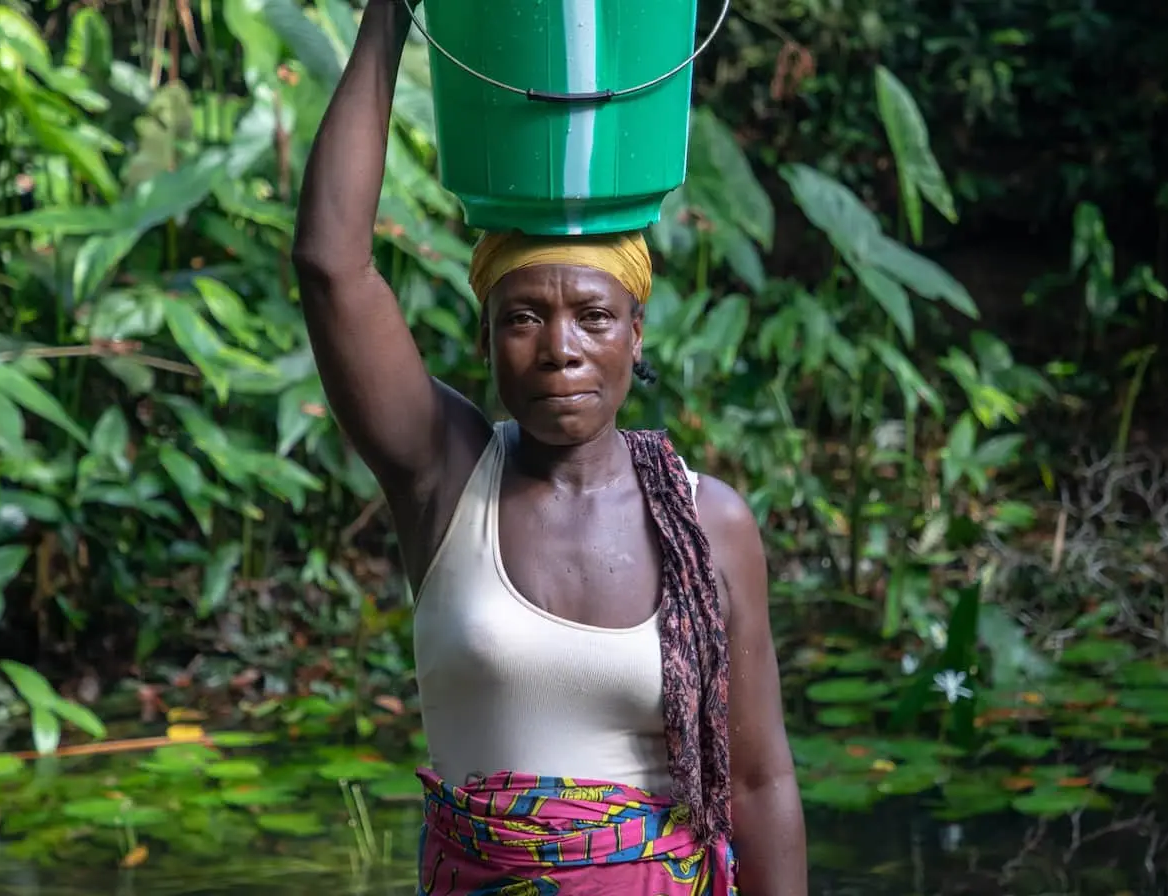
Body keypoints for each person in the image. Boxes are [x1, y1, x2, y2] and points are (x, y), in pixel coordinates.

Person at [290, 1, 807, 893]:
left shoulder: (706, 523)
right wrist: (388, 14)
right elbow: (331, 267)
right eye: (524, 317)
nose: (560, 347)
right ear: (487, 335)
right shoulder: (446, 479)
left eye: (593, 316)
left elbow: (760, 784)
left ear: (635, 335)